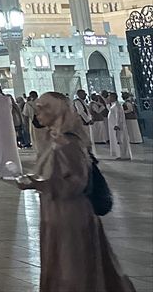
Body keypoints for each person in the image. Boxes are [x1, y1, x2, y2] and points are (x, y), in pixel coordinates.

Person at [16, 92, 135, 292]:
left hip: (70, 215)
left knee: (72, 268)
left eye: (42, 109)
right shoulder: (55, 139)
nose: (37, 114)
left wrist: (37, 184)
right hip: (57, 214)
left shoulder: (66, 143)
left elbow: (76, 182)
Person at [106, 91, 131, 161]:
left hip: (118, 127)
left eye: (109, 96)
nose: (108, 98)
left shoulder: (117, 105)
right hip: (114, 126)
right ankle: (120, 154)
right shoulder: (113, 105)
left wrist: (117, 124)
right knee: (118, 141)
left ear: (113, 97)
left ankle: (125, 155)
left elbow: (118, 116)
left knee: (121, 140)